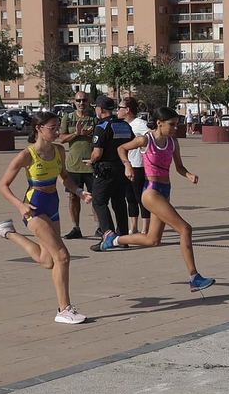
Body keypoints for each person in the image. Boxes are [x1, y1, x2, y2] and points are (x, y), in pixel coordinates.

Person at [0, 112, 93, 324]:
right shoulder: (27, 155)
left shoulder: (59, 150)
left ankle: (7, 232)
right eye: (52, 127)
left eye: (56, 127)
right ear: (39, 128)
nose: (56, 131)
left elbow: (64, 178)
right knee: (62, 256)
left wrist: (79, 192)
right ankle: (64, 309)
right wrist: (20, 205)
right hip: (34, 206)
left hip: (52, 204)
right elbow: (2, 186)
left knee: (47, 260)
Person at [98, 108, 214, 292]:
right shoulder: (146, 139)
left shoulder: (172, 142)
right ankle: (194, 277)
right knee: (185, 229)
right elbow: (122, 148)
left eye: (176, 124)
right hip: (151, 192)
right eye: (172, 124)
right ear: (159, 122)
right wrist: (127, 165)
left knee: (153, 240)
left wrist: (189, 175)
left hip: (165, 190)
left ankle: (113, 240)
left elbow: (179, 167)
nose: (175, 128)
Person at [86, 95, 132, 243]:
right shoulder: (124, 125)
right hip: (122, 167)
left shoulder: (101, 127)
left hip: (106, 170)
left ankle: (108, 235)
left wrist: (91, 160)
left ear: (100, 109)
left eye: (96, 108)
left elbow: (97, 153)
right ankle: (123, 237)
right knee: (119, 202)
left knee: (99, 201)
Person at [58, 93, 96, 238]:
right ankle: (76, 228)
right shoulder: (68, 118)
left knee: (96, 198)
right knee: (73, 197)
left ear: (88, 101)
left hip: (92, 164)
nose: (81, 103)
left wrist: (89, 134)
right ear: (74, 102)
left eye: (84, 100)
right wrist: (77, 133)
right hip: (74, 165)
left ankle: (99, 227)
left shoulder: (95, 118)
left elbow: (102, 138)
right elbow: (61, 138)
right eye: (78, 100)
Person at [118, 97, 149, 233]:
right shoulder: (121, 124)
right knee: (129, 197)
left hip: (138, 165)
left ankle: (145, 229)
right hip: (125, 165)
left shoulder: (139, 124)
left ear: (127, 110)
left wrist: (141, 147)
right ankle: (133, 227)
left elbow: (150, 137)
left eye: (120, 108)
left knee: (140, 197)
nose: (117, 110)